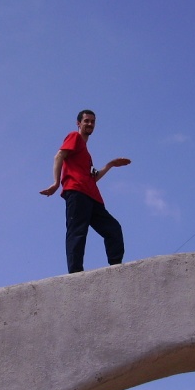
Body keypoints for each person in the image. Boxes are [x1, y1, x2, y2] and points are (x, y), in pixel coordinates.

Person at [40, 109, 130, 273]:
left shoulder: (86, 155)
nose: (90, 124)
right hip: (77, 192)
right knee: (77, 232)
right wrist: (55, 182)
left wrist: (110, 165)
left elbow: (93, 178)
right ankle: (75, 273)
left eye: (92, 121)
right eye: (86, 121)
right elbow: (59, 155)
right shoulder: (74, 137)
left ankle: (117, 267)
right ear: (79, 123)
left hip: (93, 197)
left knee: (113, 229)